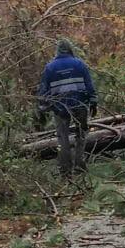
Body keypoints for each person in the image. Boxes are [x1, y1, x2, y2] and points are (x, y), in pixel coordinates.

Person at [38, 39, 97, 175]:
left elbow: (43, 91)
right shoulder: (79, 64)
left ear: (57, 50)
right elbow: (89, 85)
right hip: (80, 105)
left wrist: (44, 108)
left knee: (62, 138)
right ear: (70, 49)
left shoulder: (50, 67)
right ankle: (79, 165)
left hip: (60, 108)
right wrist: (93, 102)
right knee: (81, 135)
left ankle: (65, 169)